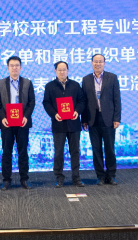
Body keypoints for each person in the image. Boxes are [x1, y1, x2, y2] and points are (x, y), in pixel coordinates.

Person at [0, 56, 36, 190]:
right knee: (7, 152)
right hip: (6, 122)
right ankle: (6, 180)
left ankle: (24, 179)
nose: (14, 68)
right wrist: (2, 117)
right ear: (8, 68)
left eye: (17, 65)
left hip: (22, 122)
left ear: (20, 67)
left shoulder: (27, 83)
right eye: (12, 65)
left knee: (23, 152)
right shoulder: (1, 83)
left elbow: (31, 102)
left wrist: (26, 116)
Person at [42, 61, 86, 188]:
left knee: (75, 151)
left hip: (73, 123)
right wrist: (54, 114)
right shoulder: (50, 86)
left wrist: (77, 111)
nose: (62, 72)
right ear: (55, 71)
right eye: (59, 70)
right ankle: (59, 178)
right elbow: (46, 103)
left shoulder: (75, 85)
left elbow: (82, 100)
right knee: (58, 152)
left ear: (68, 70)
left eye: (64, 69)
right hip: (58, 124)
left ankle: (76, 178)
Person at [81, 54, 121, 185]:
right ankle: (100, 176)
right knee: (96, 149)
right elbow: (84, 101)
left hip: (108, 119)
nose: (98, 64)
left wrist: (116, 118)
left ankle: (111, 175)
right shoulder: (86, 79)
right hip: (93, 119)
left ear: (104, 63)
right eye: (95, 61)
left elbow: (117, 99)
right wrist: (84, 119)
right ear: (92, 63)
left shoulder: (112, 77)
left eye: (100, 62)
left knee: (110, 148)